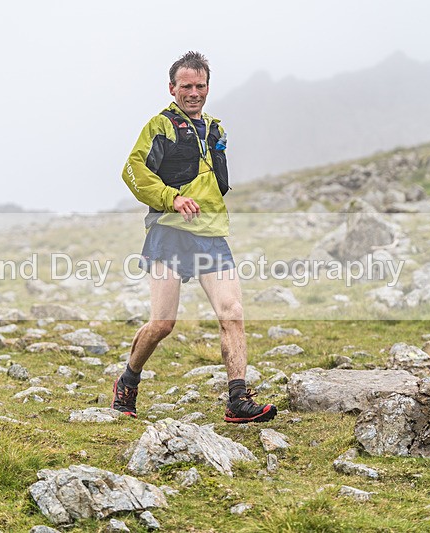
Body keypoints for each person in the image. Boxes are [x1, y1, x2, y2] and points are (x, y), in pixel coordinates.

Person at [113, 51, 277, 423]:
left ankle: (237, 399)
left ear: (207, 87)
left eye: (199, 86)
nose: (193, 92)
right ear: (172, 89)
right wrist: (172, 198)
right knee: (162, 324)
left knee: (232, 312)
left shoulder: (216, 130)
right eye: (185, 86)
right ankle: (128, 380)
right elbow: (132, 170)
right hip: (169, 233)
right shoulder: (160, 126)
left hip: (211, 235)